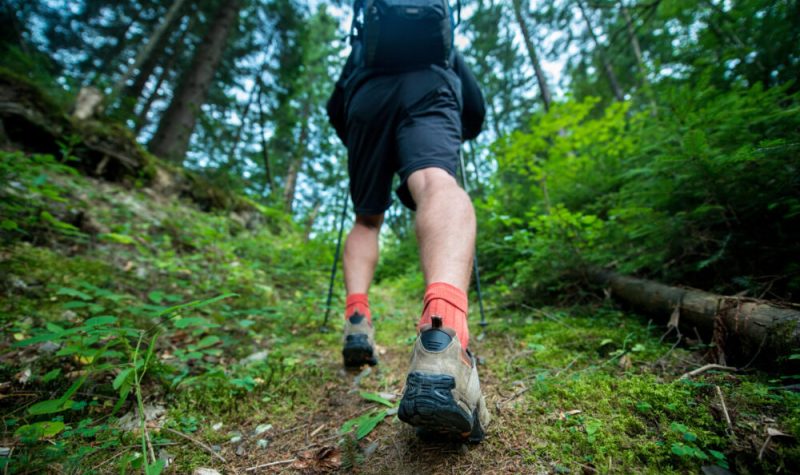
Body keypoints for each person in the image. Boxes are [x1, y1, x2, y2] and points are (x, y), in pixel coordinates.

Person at [326, 3, 490, 443]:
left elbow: (335, 106)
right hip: (430, 86)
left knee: (367, 218)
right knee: (436, 182)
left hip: (366, 101)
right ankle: (444, 338)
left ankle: (357, 315)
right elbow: (474, 108)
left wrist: (364, 134)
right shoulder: (439, 39)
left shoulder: (365, 41)